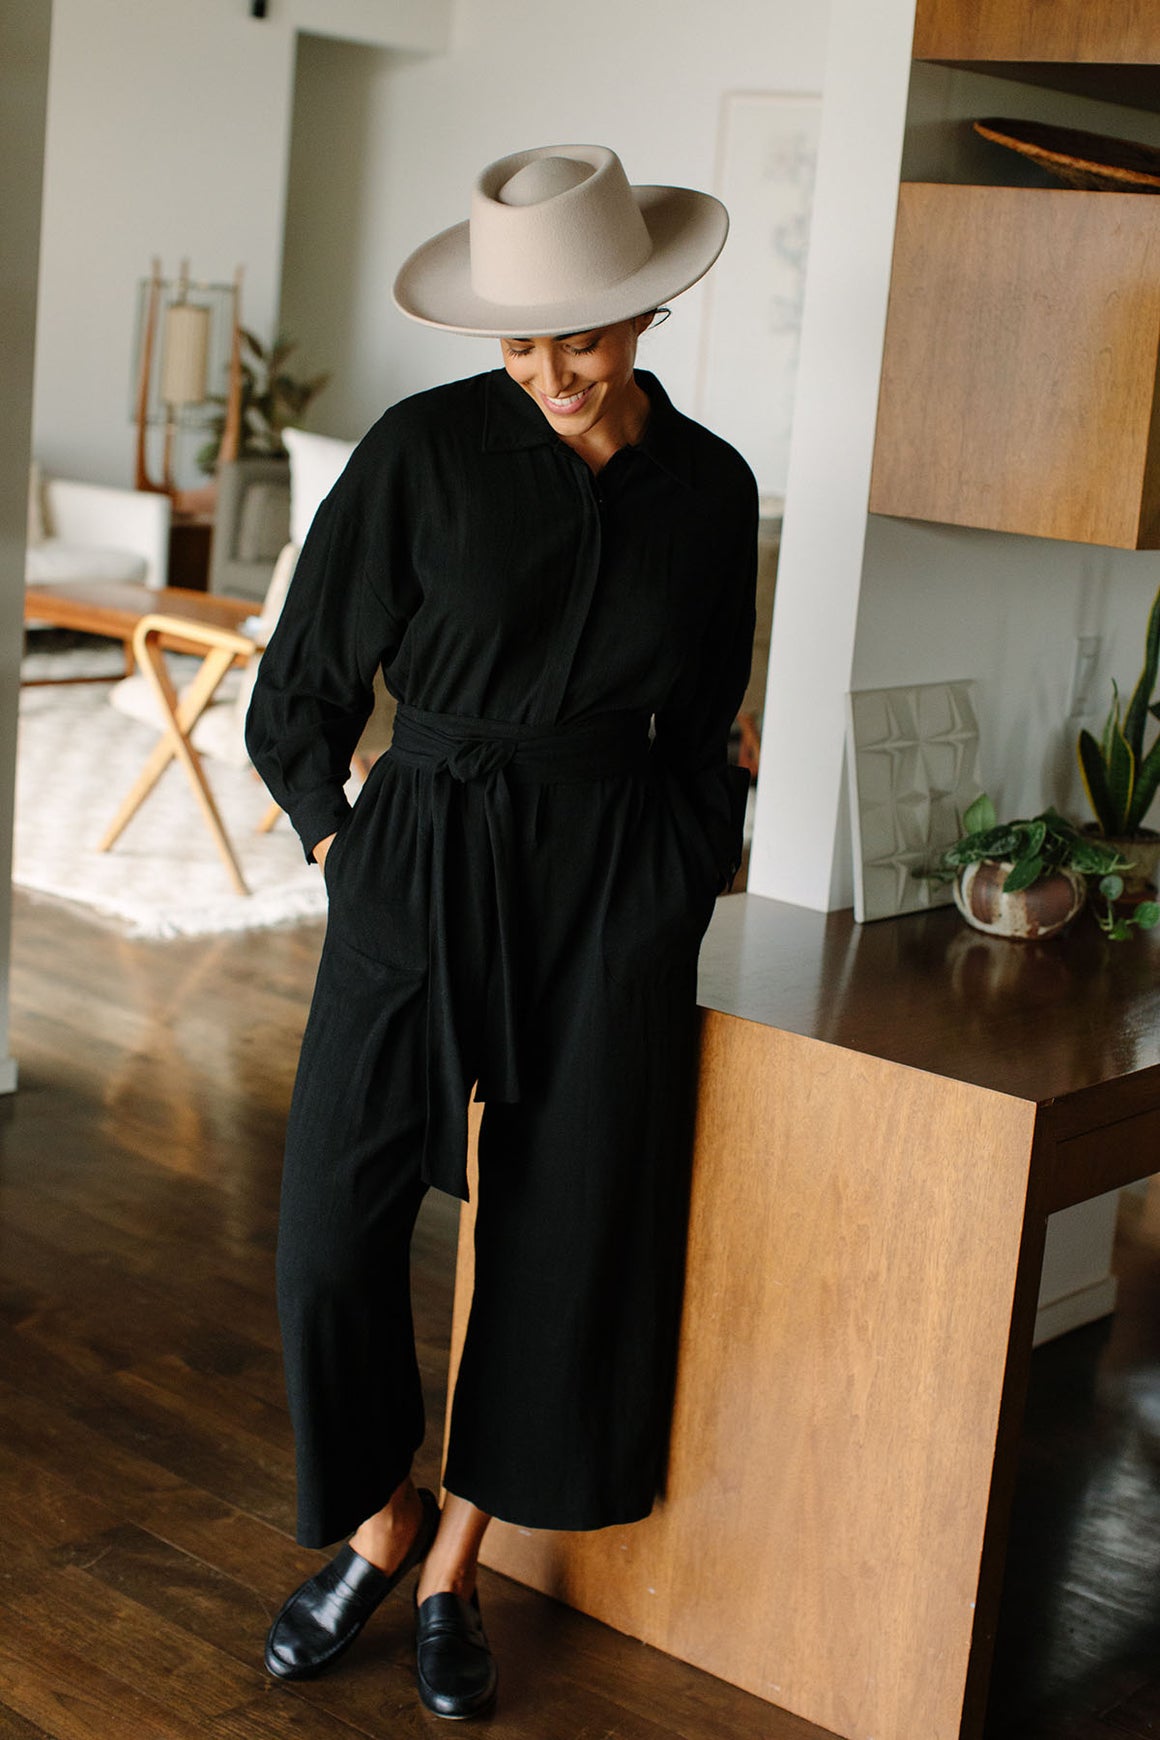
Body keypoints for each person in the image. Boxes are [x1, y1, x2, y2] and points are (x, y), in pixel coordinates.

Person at [246, 142, 758, 1721]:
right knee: (330, 1232)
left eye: (579, 340)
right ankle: (377, 1521)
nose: (549, 372)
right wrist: (343, 841)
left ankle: (455, 1569)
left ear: (646, 313)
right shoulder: (423, 450)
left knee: (563, 1232)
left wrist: (678, 876)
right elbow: (302, 684)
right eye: (520, 342)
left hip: (612, 883)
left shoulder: (710, 490)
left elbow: (705, 725)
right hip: (422, 853)